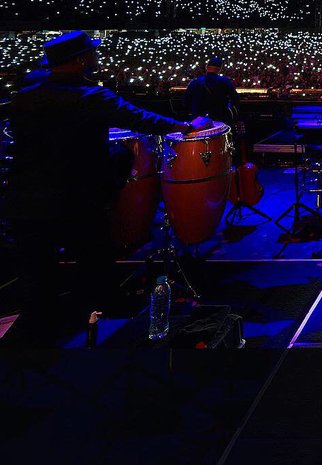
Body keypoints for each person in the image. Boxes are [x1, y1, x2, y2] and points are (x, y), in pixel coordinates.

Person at [5, 31, 211, 343]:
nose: (95, 58)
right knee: (94, 257)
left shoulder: (26, 94)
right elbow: (138, 118)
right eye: (91, 53)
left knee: (37, 275)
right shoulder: (90, 96)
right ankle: (101, 320)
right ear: (79, 60)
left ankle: (34, 349)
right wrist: (183, 126)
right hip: (74, 196)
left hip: (25, 198)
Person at [183, 56, 241, 132]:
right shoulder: (225, 81)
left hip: (198, 120)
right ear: (220, 68)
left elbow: (185, 101)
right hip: (220, 119)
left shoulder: (195, 82)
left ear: (206, 67)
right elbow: (235, 99)